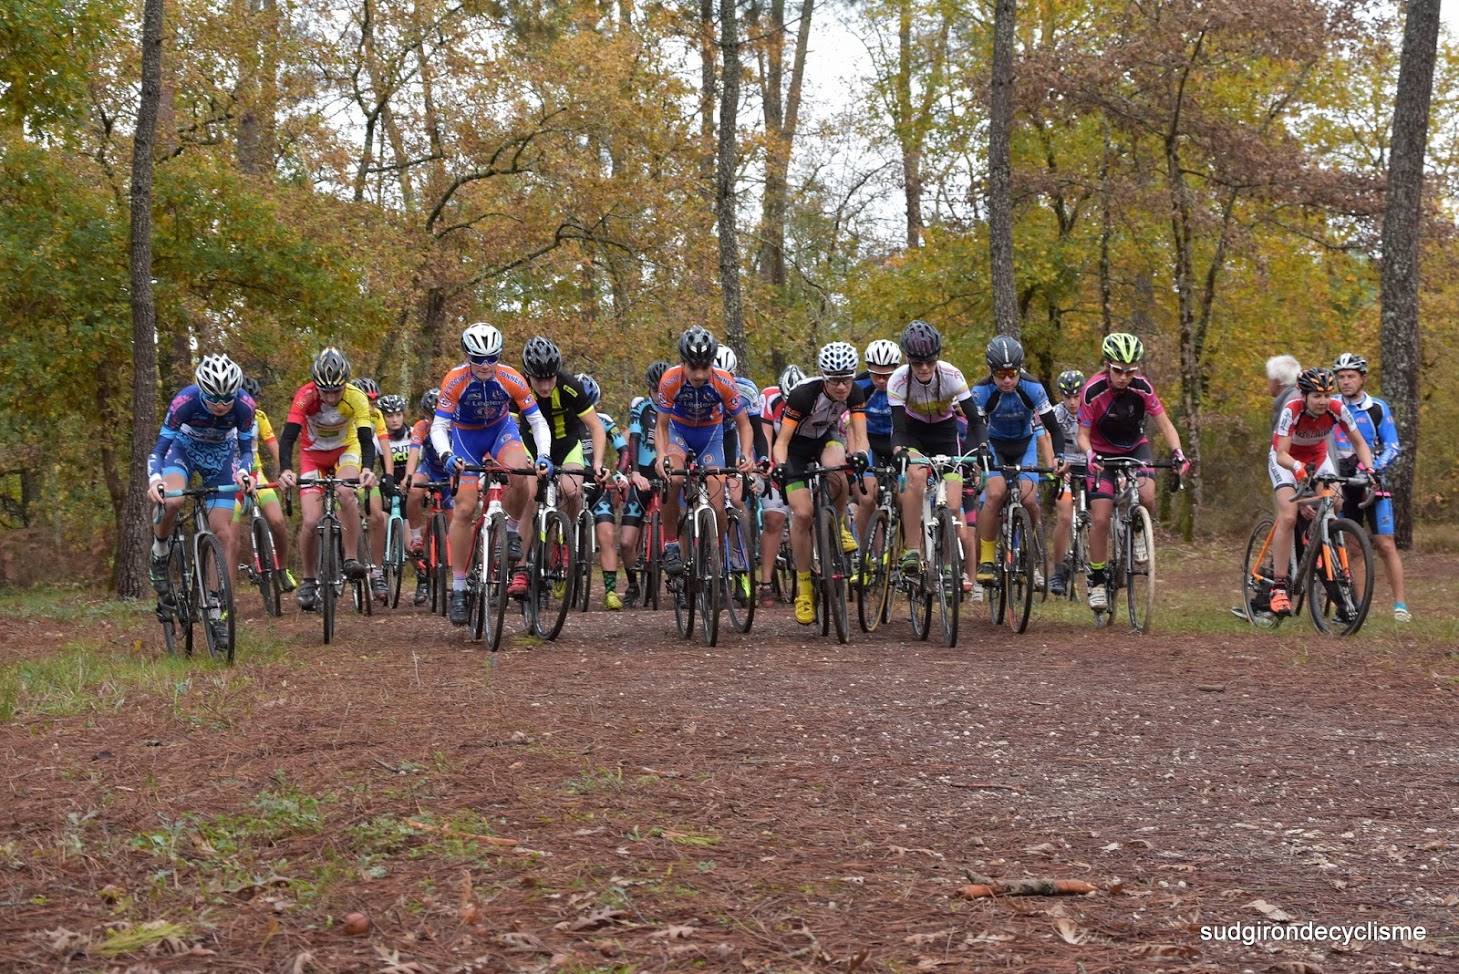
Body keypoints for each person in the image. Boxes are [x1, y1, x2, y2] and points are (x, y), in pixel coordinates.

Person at [430, 323, 553, 625]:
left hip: (501, 431)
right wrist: (446, 455)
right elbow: (438, 426)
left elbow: (537, 422)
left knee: (521, 473)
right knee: (464, 508)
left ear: (499, 356)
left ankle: (511, 531)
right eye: (478, 359)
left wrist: (544, 456)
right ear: (467, 356)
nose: (485, 366)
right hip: (465, 438)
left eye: (491, 358)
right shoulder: (455, 380)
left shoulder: (511, 378)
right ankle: (459, 587)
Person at [1075, 333, 1189, 612]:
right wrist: (1090, 455)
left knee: (1148, 496)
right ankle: (1098, 580)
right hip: (1101, 453)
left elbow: (1165, 425)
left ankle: (1138, 530)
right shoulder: (1092, 390)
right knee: (1100, 517)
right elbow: (1082, 435)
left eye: (1130, 371)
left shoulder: (1143, 388)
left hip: (1135, 447)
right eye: (1118, 370)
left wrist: (1178, 452)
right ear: (1107, 365)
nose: (1124, 377)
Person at [147, 355, 256, 645]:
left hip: (221, 457)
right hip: (184, 450)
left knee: (222, 532)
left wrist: (245, 474)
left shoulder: (245, 406)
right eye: (213, 398)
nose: (221, 405)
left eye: (227, 398)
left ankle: (215, 609)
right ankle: (159, 549)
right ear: (201, 391)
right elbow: (159, 449)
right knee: (172, 502)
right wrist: (155, 480)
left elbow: (246, 450)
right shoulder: (185, 401)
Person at [772, 342, 870, 624]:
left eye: (847, 379)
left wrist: (861, 454)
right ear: (824, 377)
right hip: (795, 450)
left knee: (838, 467)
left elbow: (860, 435)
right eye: (835, 381)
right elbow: (782, 443)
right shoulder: (803, 395)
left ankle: (837, 524)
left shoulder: (856, 391)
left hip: (824, 438)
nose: (842, 387)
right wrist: (779, 467)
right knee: (802, 514)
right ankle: (804, 588)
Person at [1265, 367, 1375, 617]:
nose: (1323, 401)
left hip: (1317, 457)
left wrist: (1370, 470)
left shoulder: (1337, 409)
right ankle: (1279, 587)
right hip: (1286, 460)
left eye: (1327, 395)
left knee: (1335, 502)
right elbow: (1282, 453)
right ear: (1303, 395)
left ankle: (1318, 537)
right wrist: (1297, 469)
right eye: (1316, 396)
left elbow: (1359, 442)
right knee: (1289, 515)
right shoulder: (1291, 410)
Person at [277, 348, 379, 612]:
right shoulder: (305, 396)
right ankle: (309, 579)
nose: (331, 397)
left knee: (346, 492)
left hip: (346, 450)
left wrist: (367, 468)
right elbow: (288, 437)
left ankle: (351, 559)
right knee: (311, 520)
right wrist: (286, 469)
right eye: (325, 391)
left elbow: (367, 440)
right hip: (312, 455)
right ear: (316, 386)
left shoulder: (356, 397)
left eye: (337, 391)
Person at [654, 326, 756, 580]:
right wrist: (661, 456)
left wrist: (745, 455)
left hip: (710, 435)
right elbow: (661, 426)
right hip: (679, 432)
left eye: (705, 367)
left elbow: (744, 424)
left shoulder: (724, 382)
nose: (699, 375)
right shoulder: (669, 380)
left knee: (718, 501)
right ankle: (671, 545)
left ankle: (714, 555)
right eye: (693, 368)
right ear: (682, 362)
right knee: (674, 478)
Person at [886, 320, 983, 577]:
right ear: (908, 360)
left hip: (945, 435)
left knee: (952, 506)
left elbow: (974, 420)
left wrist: (980, 449)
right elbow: (897, 428)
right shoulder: (897, 380)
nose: (925, 368)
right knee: (915, 476)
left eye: (930, 361)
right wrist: (899, 452)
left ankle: (950, 566)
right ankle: (912, 549)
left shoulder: (951, 375)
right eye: (918, 363)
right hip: (913, 434)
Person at [970, 336, 1063, 586]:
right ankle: (987, 560)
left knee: (1030, 500)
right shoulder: (981, 392)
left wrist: (1059, 456)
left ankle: (1024, 549)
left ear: (1019, 369)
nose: (1008, 380)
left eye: (1012, 373)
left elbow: (1054, 428)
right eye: (1001, 374)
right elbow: (974, 427)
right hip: (995, 445)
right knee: (994, 495)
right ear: (992, 371)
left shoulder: (1033, 387)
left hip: (1025, 444)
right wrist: (978, 457)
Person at [1331, 352, 1410, 622]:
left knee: (1385, 544)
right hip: (1343, 482)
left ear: (1362, 378)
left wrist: (1375, 468)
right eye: (1341, 377)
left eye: (1351, 376)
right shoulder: (1331, 407)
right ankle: (1359, 606)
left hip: (1372, 481)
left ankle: (1400, 606)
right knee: (1352, 547)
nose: (1346, 382)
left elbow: (1393, 445)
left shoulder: (1377, 407)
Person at [576, 372, 634, 610]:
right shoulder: (561, 421)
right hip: (570, 483)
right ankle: (549, 579)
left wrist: (620, 473)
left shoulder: (604, 420)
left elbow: (624, 450)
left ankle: (610, 591)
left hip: (597, 485)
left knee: (608, 536)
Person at [236, 375, 295, 594]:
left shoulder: (259, 417)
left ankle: (283, 569)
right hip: (230, 478)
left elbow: (274, 447)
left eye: (253, 399)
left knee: (278, 521)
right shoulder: (223, 418)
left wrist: (285, 470)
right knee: (228, 529)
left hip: (255, 473)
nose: (250, 404)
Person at [621, 361, 672, 607]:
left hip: (668, 473)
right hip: (643, 473)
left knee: (679, 527)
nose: (660, 396)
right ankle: (632, 584)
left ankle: (679, 581)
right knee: (626, 541)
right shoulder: (641, 407)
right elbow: (634, 438)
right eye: (656, 391)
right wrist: (635, 473)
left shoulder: (676, 406)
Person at [755, 364, 804, 606]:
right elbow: (765, 436)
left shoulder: (810, 398)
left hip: (802, 457)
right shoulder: (769, 397)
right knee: (773, 519)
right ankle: (765, 582)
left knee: (809, 514)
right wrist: (766, 463)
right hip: (776, 458)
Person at [853, 340, 900, 565]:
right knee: (866, 498)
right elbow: (848, 422)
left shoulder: (905, 384)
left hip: (897, 441)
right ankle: (867, 556)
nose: (881, 381)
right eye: (876, 375)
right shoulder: (859, 385)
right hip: (869, 442)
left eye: (887, 375)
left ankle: (911, 557)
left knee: (907, 494)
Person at [401, 388, 449, 606]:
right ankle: (416, 535)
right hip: (429, 469)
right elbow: (413, 453)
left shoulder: (456, 425)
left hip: (450, 474)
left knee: (457, 518)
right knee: (414, 490)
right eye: (430, 416)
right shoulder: (421, 427)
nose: (433, 420)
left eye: (437, 415)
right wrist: (408, 477)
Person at [352, 376, 393, 602]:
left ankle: (377, 571)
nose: (371, 406)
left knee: (378, 517)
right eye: (367, 401)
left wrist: (387, 475)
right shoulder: (346, 412)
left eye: (375, 402)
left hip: (365, 475)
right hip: (343, 471)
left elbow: (385, 447)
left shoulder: (376, 416)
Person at [1047, 370, 1084, 596]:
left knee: (1103, 513)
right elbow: (1048, 440)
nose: (1072, 402)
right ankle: (1058, 571)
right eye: (1067, 396)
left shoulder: (1092, 410)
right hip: (1065, 468)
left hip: (1089, 465)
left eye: (1076, 396)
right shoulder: (1056, 414)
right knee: (1064, 517)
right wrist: (1058, 465)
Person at [1266, 355, 1302, 430]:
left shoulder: (1291, 403)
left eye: (1269, 379)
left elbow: (1283, 437)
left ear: (1277, 381)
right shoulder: (1298, 396)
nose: (1268, 383)